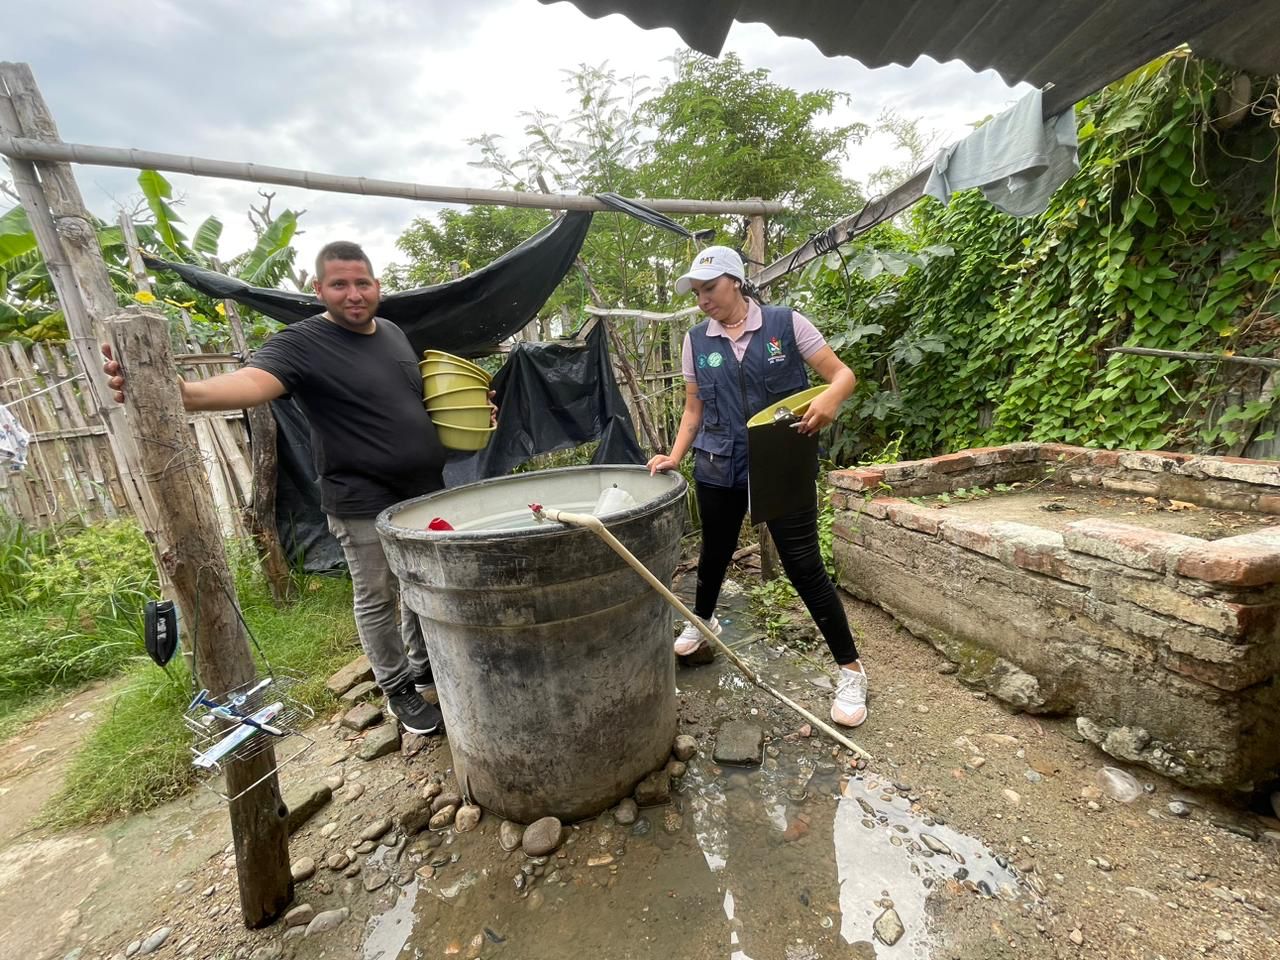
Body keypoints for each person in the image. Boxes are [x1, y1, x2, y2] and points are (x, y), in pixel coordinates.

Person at [103, 241, 476, 736]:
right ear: (318, 289)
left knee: (417, 582)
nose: (353, 294)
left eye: (362, 282)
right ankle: (397, 688)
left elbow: (413, 402)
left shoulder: (391, 333)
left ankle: (422, 663)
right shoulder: (301, 343)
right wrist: (183, 392)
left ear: (377, 287)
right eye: (339, 284)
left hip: (421, 489)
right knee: (377, 593)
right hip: (360, 496)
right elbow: (252, 382)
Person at [646, 246, 869, 727]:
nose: (702, 299)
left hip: (780, 460)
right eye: (697, 292)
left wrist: (831, 398)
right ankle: (704, 622)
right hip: (718, 462)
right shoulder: (695, 341)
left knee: (804, 566)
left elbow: (842, 375)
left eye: (710, 288)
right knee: (715, 552)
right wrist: (675, 455)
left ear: (736, 281)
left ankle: (851, 670)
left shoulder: (787, 324)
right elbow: (693, 409)